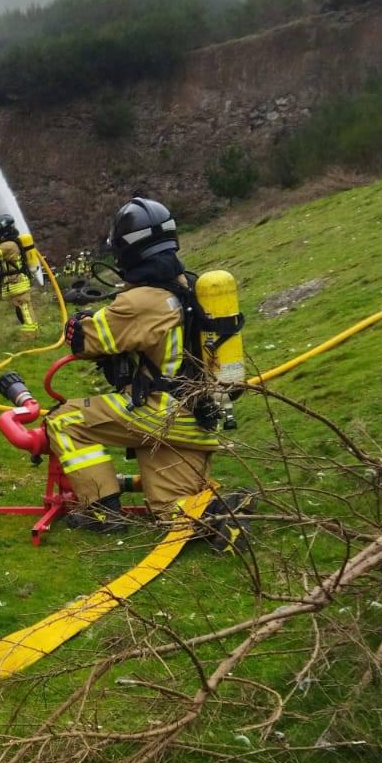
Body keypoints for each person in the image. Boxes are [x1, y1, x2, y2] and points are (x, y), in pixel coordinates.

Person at [45, 196, 247, 540]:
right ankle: (219, 515)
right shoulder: (186, 286)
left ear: (127, 253)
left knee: (63, 420)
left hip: (159, 414)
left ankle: (101, 511)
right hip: (195, 417)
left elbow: (85, 341)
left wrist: (78, 324)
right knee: (175, 516)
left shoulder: (140, 302)